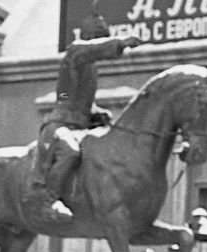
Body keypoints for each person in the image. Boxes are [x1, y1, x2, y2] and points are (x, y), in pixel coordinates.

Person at [29, 2, 140, 223]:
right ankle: (48, 199)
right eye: (99, 36)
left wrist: (97, 113)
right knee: (70, 153)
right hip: (60, 124)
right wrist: (120, 43)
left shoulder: (91, 68)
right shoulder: (76, 52)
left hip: (79, 127)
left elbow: (82, 103)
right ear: (89, 36)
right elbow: (66, 97)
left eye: (104, 35)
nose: (102, 39)